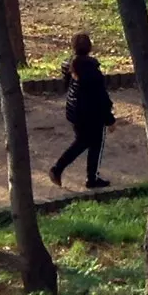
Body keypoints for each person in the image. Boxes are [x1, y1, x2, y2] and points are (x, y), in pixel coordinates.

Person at [48, 32, 115, 188]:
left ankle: (90, 177)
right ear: (90, 47)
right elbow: (101, 98)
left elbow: (67, 86)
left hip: (75, 112)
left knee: (88, 142)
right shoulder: (92, 72)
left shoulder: (70, 65)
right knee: (89, 143)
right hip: (91, 115)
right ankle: (59, 169)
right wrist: (110, 119)